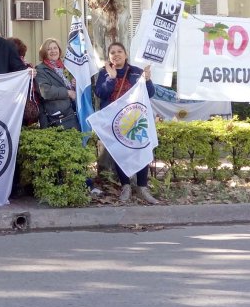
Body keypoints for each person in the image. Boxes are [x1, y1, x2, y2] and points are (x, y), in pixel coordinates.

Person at [93, 42, 158, 204]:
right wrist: (111, 78)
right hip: (115, 122)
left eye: (119, 51)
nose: (116, 54)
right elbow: (100, 93)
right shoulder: (104, 72)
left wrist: (148, 80)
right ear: (109, 57)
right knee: (120, 152)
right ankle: (126, 187)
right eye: (112, 52)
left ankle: (142, 187)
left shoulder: (136, 72)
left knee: (140, 149)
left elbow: (149, 93)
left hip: (135, 120)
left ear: (125, 54)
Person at [35, 38, 80, 130]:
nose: (53, 51)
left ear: (59, 50)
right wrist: (68, 92)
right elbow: (45, 91)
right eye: (49, 49)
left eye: (55, 48)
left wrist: (75, 85)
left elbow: (69, 86)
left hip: (73, 112)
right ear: (44, 52)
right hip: (57, 117)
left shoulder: (66, 67)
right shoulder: (40, 69)